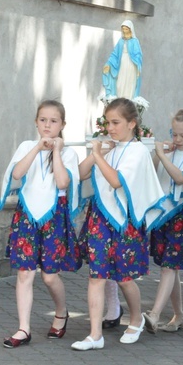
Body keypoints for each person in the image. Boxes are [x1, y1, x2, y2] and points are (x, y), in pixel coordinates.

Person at [72, 98, 164, 351]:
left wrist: (98, 154)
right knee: (96, 276)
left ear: (132, 123)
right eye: (107, 122)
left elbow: (115, 182)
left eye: (116, 123)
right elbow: (80, 174)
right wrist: (98, 154)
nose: (110, 128)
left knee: (124, 278)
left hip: (125, 222)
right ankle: (94, 335)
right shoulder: (107, 147)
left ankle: (135, 320)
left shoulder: (138, 151)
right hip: (100, 218)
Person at [0, 100, 82, 348]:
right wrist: (37, 148)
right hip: (27, 216)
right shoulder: (26, 146)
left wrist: (56, 150)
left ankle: (61, 312)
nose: (47, 125)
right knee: (25, 273)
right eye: (43, 120)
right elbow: (17, 174)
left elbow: (63, 182)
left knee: (49, 276)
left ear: (62, 124)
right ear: (36, 122)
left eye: (53, 121)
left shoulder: (69, 153)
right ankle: (24, 328)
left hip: (54, 217)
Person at [144, 110, 183, 333]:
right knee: (168, 267)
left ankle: (154, 315)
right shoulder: (169, 153)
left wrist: (163, 156)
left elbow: (180, 178)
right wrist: (157, 153)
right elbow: (150, 173)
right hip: (165, 216)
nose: (178, 140)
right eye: (175, 134)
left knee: (169, 267)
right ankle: (179, 315)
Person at [103, 20, 143, 99]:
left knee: (129, 83)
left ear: (130, 29)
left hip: (132, 65)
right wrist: (108, 64)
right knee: (120, 83)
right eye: (123, 29)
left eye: (126, 29)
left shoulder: (135, 41)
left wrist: (138, 64)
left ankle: (128, 101)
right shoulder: (121, 41)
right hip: (121, 64)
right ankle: (119, 100)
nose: (124, 31)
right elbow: (114, 54)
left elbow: (139, 55)